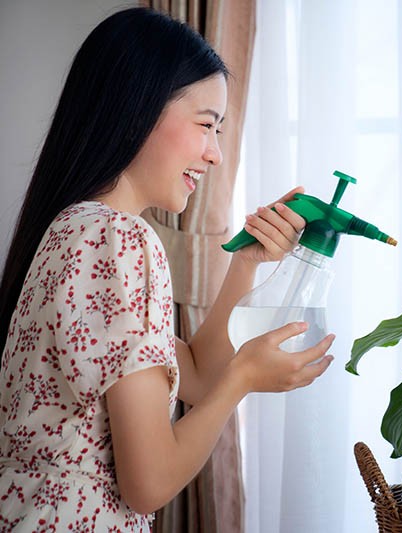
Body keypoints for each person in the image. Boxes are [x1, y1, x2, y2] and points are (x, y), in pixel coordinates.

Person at [0, 7, 334, 531]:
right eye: (207, 125)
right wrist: (245, 376)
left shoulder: (74, 230)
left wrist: (245, 264)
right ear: (135, 108)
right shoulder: (120, 239)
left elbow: (196, 378)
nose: (216, 155)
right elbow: (149, 485)